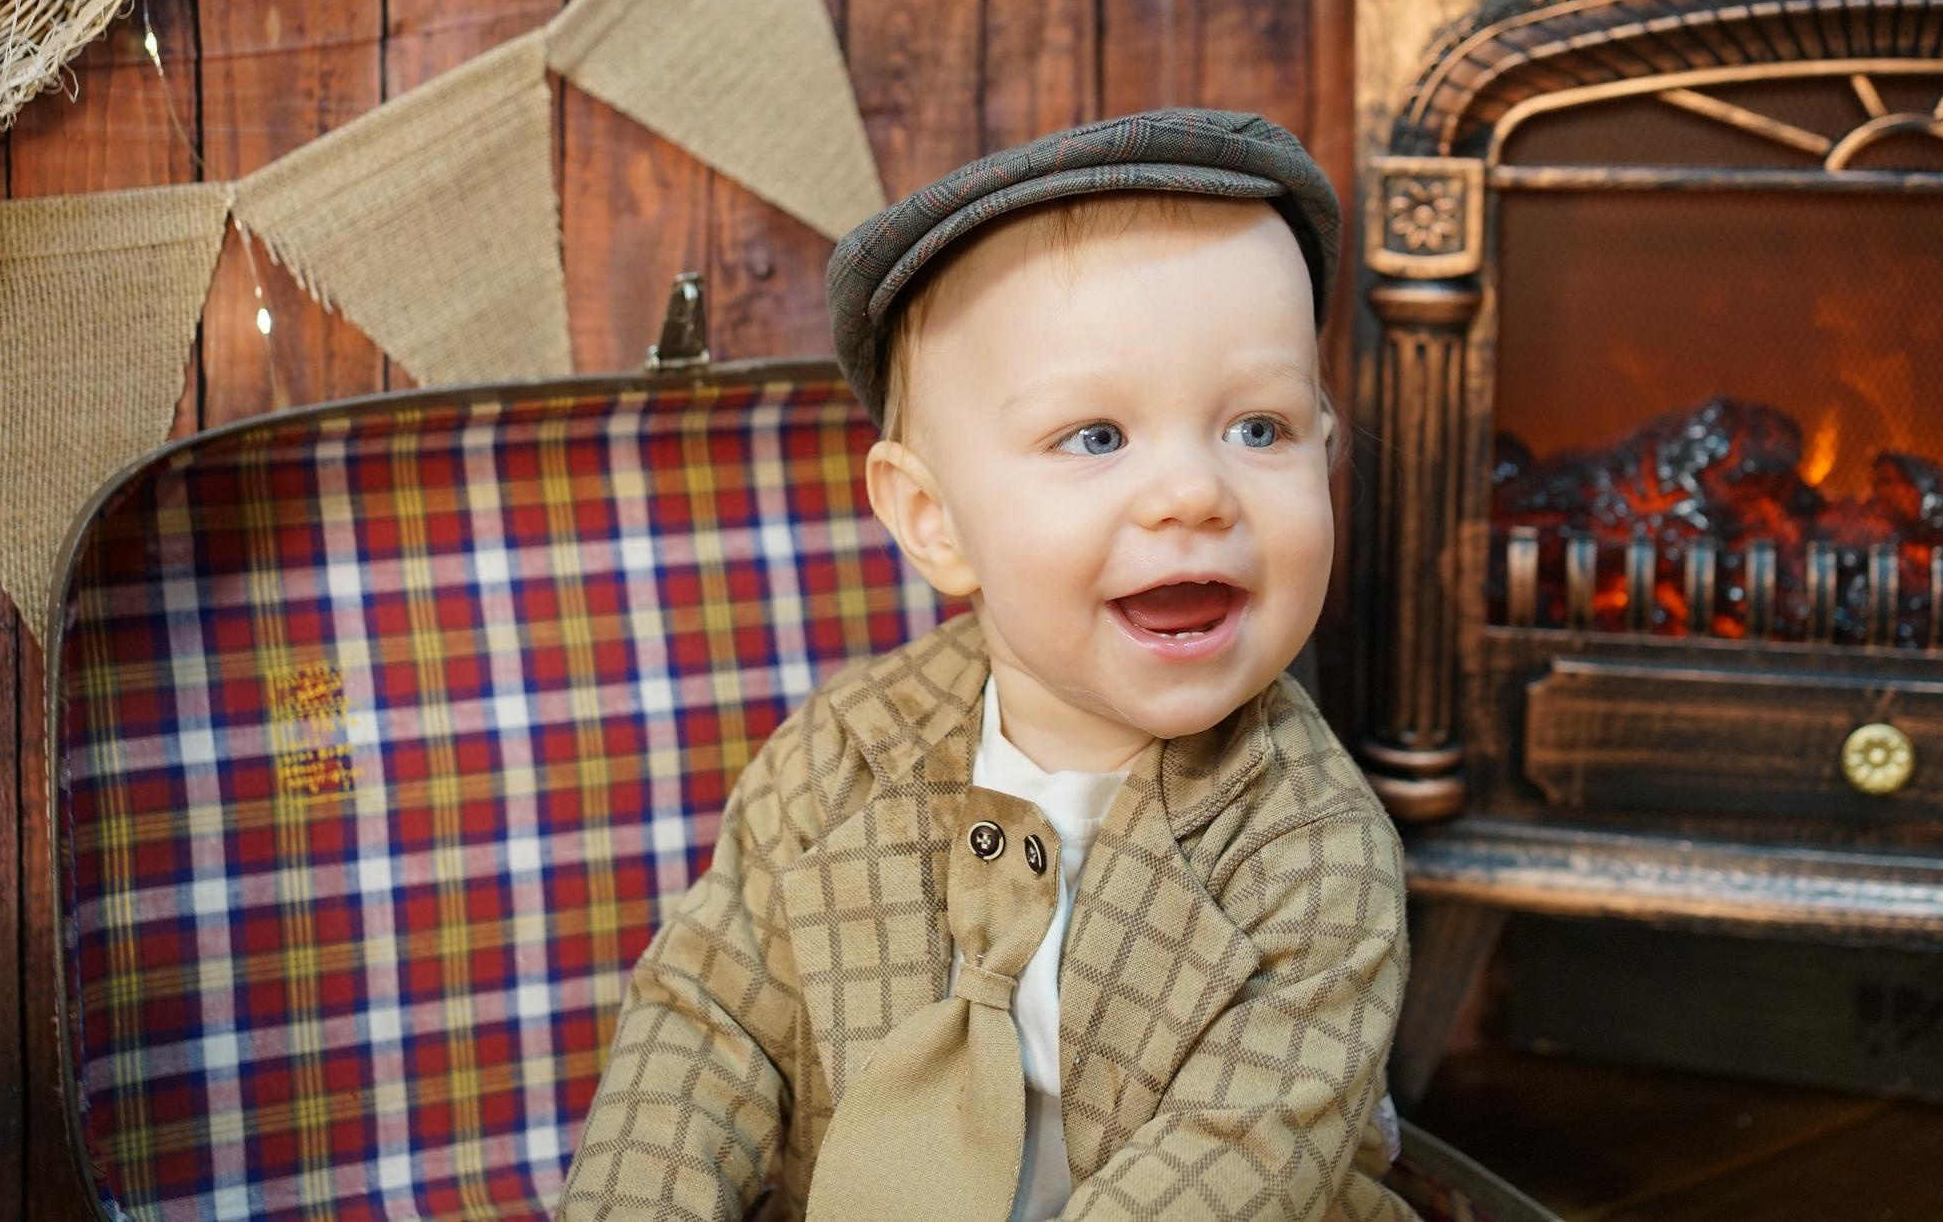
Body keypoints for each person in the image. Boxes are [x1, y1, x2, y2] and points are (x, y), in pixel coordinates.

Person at [560, 107, 1414, 1222]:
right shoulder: (842, 759)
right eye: (1097, 436)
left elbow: (1228, 1168)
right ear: (933, 520)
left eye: (1260, 428)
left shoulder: (1313, 858)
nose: (1196, 493)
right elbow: (704, 1024)